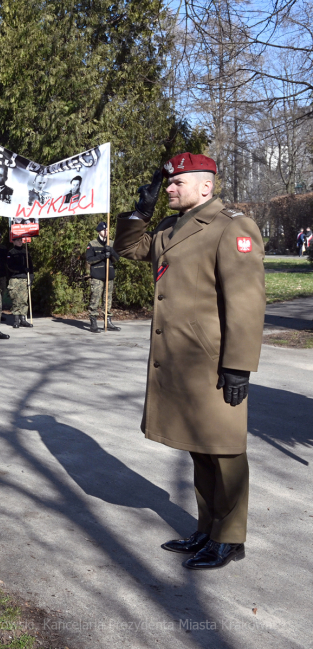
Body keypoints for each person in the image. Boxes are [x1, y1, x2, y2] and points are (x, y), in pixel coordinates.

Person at [114, 152, 265, 570]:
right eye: (169, 182)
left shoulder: (232, 226)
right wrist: (139, 214)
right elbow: (128, 248)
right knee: (200, 448)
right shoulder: (168, 226)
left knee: (225, 451)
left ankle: (230, 537)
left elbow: (246, 301)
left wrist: (238, 364)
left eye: (178, 182)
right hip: (180, 358)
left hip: (212, 360)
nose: (169, 188)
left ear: (205, 186)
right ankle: (208, 529)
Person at [85, 222, 120, 333]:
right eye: (104, 230)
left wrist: (111, 251)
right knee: (95, 298)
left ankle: (107, 321)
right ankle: (93, 322)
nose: (106, 232)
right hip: (97, 276)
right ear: (99, 231)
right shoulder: (92, 244)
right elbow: (89, 260)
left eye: (107, 230)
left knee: (108, 299)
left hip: (109, 275)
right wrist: (103, 255)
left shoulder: (111, 243)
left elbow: (117, 259)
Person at [6, 236, 33, 328]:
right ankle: (16, 320)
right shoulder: (11, 253)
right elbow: (10, 266)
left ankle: (23, 319)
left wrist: (31, 277)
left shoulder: (26, 252)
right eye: (17, 240)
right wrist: (22, 269)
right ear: (13, 242)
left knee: (24, 300)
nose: (19, 242)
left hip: (24, 278)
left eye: (20, 240)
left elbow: (31, 266)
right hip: (15, 279)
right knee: (15, 299)